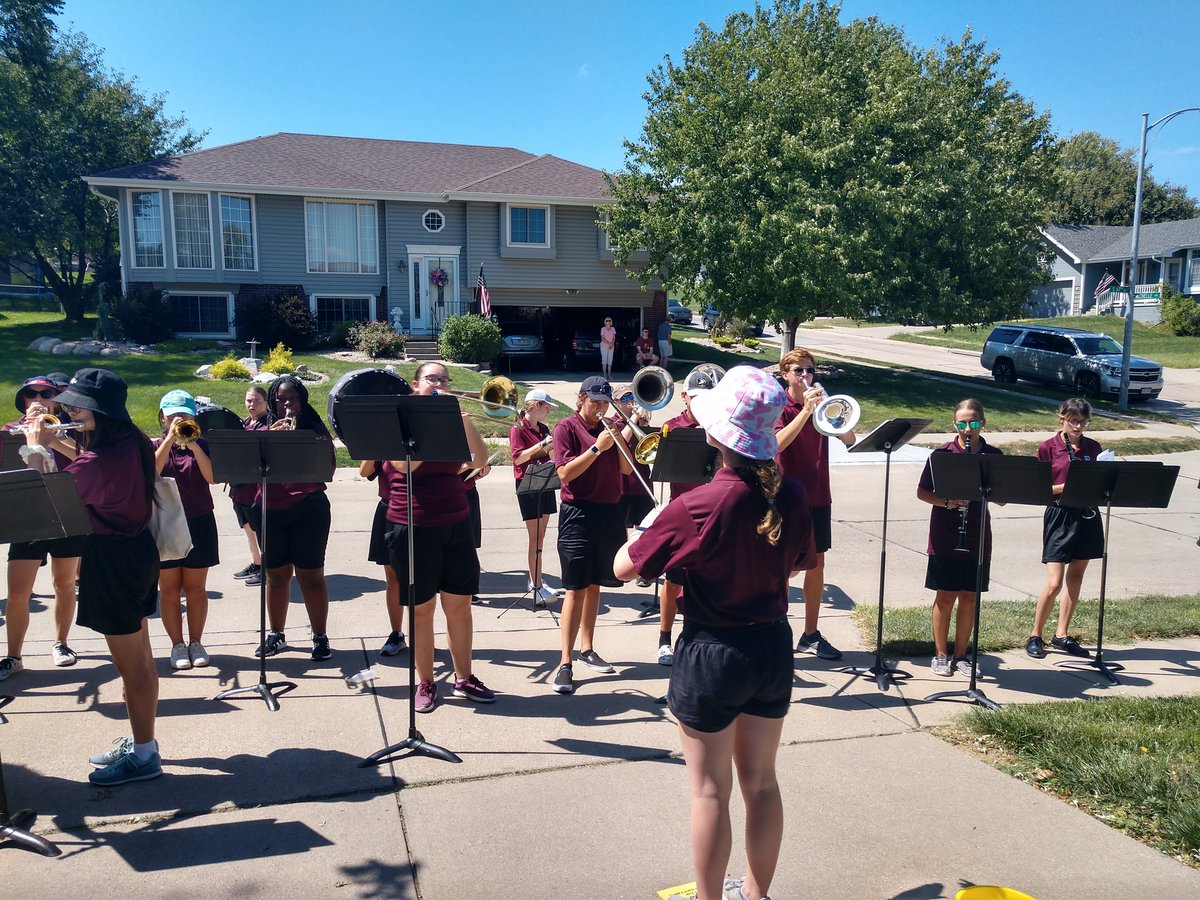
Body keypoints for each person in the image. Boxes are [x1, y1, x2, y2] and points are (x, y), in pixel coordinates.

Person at [613, 365, 815, 900]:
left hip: (713, 654)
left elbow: (622, 569)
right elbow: (798, 562)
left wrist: (653, 523)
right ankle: (756, 895)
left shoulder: (695, 505)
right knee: (762, 783)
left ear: (715, 435)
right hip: (772, 647)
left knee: (708, 793)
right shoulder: (791, 494)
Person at [23, 368, 162, 785]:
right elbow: (83, 463)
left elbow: (46, 498)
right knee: (142, 658)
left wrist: (35, 448)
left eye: (80, 407)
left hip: (113, 562)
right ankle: (144, 744)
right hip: (136, 554)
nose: (71, 411)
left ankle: (143, 758)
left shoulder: (101, 462)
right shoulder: (130, 441)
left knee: (131, 667)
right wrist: (59, 441)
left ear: (99, 412)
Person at [383, 361, 495, 712]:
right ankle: (426, 681)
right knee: (422, 610)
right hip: (412, 524)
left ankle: (464, 676)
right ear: (415, 386)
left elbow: (478, 459)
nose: (439, 384)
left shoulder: (452, 420)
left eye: (444, 380)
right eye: (431, 379)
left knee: (459, 606)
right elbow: (403, 466)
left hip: (456, 520)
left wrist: (461, 418)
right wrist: (431, 425)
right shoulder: (397, 419)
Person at [550, 375, 631, 694]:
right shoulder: (565, 428)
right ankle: (565, 662)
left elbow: (626, 470)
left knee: (596, 585)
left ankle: (587, 648)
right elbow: (565, 473)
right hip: (578, 514)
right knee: (574, 588)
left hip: (609, 513)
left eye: (604, 402)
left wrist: (621, 437)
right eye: (595, 401)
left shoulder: (609, 427)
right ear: (580, 399)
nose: (600, 408)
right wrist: (598, 448)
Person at [774, 348, 855, 660]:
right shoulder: (778, 405)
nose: (805, 376)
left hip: (818, 493)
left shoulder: (821, 405)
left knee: (817, 564)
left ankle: (810, 634)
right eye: (798, 371)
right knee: (782, 568)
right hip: (785, 495)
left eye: (809, 370)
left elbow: (849, 439)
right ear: (785, 374)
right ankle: (777, 630)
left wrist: (833, 411)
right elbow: (775, 443)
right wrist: (807, 412)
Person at [1, 376, 82, 680]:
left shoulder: (68, 429)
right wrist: (30, 435)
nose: (39, 398)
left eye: (46, 393)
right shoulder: (10, 432)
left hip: (65, 513)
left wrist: (52, 436)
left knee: (64, 583)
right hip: (27, 516)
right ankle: (13, 656)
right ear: (23, 400)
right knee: (18, 592)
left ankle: (61, 643)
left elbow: (83, 458)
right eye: (31, 394)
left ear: (56, 399)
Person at [915, 399, 1002, 676]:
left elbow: (1002, 498)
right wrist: (949, 502)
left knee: (970, 598)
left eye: (974, 423)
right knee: (945, 595)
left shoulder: (992, 455)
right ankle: (941, 654)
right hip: (945, 533)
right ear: (955, 425)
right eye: (962, 423)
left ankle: (962, 655)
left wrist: (989, 490)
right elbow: (923, 492)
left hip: (976, 534)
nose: (968, 428)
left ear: (983, 424)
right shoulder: (942, 455)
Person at [255, 375, 336, 662]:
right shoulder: (263, 428)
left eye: (293, 398)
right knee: (275, 576)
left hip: (308, 508)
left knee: (311, 576)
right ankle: (276, 634)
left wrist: (298, 440)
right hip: (271, 509)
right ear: (273, 402)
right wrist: (268, 440)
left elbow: (327, 468)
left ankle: (320, 637)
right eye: (280, 399)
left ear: (302, 400)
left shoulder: (314, 428)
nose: (287, 404)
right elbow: (246, 468)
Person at [1027, 397, 1104, 660]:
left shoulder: (1093, 447)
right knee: (1054, 582)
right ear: (1061, 418)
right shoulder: (1048, 448)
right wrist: (1071, 483)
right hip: (1060, 515)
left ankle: (1061, 634)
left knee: (1077, 577)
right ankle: (1035, 634)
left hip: (1087, 515)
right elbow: (1040, 490)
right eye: (1074, 421)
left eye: (1084, 422)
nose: (1079, 426)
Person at [655, 368, 719, 666]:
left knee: (706, 581)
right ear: (684, 398)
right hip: (683, 514)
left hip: (715, 514)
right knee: (674, 580)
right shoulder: (672, 427)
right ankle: (664, 639)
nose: (703, 405)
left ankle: (695, 635)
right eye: (696, 399)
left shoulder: (720, 426)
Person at [153, 390, 218, 671]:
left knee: (195, 588)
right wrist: (169, 440)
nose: (179, 418)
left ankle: (196, 642)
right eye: (173, 415)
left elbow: (213, 478)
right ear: (163, 418)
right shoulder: (154, 445)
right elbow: (150, 474)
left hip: (198, 521)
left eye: (185, 414)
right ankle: (177, 644)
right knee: (169, 589)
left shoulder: (202, 444)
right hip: (165, 523)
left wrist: (193, 446)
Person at [508, 388, 560, 605]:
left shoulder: (544, 428)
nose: (549, 411)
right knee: (535, 537)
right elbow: (518, 459)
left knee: (542, 536)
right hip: (528, 484)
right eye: (547, 407)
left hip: (545, 480)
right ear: (536, 405)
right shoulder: (518, 428)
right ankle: (536, 585)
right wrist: (540, 445)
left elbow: (549, 454)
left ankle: (536, 579)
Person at [360, 459, 406, 657]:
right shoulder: (382, 441)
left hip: (417, 509)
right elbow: (364, 471)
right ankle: (397, 633)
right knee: (392, 577)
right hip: (387, 509)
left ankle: (422, 631)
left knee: (420, 577)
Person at [229, 386, 269, 587]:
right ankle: (256, 562)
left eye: (256, 401)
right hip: (240, 488)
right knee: (247, 528)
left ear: (266, 402)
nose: (251, 405)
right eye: (248, 401)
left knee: (260, 531)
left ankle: (267, 569)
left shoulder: (268, 425)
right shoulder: (245, 423)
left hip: (256, 490)